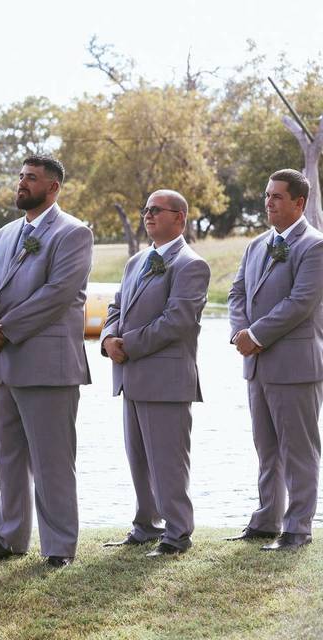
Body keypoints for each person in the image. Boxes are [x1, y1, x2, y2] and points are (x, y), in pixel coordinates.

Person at [0, 154, 92, 568]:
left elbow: (58, 293)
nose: (22, 184)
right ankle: (9, 537)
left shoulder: (74, 233)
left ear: (53, 187)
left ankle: (59, 547)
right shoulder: (5, 233)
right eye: (21, 177)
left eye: (32, 179)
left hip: (46, 363)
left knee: (52, 460)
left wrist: (4, 328)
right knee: (7, 455)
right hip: (0, 361)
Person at [100, 190, 210, 557]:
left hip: (166, 380)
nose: (148, 215)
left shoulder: (191, 265)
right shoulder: (136, 262)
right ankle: (145, 525)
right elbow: (116, 307)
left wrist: (127, 344)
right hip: (130, 377)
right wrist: (107, 338)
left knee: (168, 462)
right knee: (139, 459)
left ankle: (178, 533)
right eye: (145, 209)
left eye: (156, 210)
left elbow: (176, 321)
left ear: (179, 218)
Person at [226, 168, 323, 551]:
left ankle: (298, 528)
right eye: (267, 195)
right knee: (266, 448)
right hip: (256, 365)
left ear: (299, 202)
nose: (268, 202)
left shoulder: (314, 246)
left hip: (296, 365)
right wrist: (240, 332)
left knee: (298, 450)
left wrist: (257, 334)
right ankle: (267, 520)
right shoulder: (255, 245)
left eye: (277, 197)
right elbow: (237, 292)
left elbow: (301, 302)